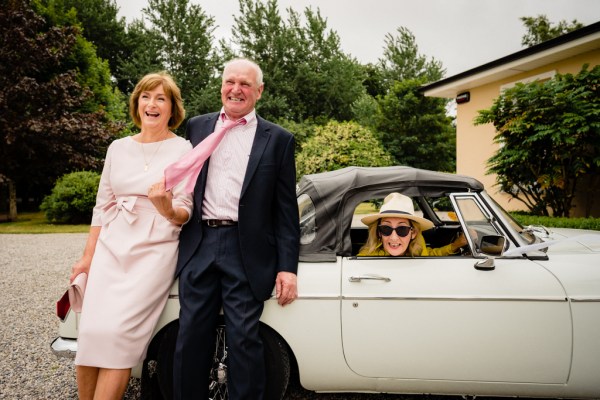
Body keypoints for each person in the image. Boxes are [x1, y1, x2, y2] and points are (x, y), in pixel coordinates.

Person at [172, 58, 300, 400]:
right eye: (231, 82)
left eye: (245, 84)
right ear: (221, 87)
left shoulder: (279, 140)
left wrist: (288, 267)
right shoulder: (197, 128)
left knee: (244, 337)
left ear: (258, 92)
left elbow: (286, 211)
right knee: (190, 334)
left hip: (247, 249)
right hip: (199, 244)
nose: (236, 89)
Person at [70, 71, 193, 399]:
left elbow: (185, 210)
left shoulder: (184, 149)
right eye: (145, 97)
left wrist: (166, 207)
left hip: (154, 251)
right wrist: (87, 258)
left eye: (161, 98)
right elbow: (102, 206)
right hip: (111, 248)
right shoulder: (117, 148)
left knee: (120, 337)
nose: (152, 104)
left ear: (172, 109)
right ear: (137, 103)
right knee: (93, 333)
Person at [358, 192, 467, 257]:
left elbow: (430, 255)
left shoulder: (418, 248)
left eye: (402, 229)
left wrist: (455, 245)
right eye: (386, 228)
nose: (394, 237)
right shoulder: (366, 257)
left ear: (413, 232)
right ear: (379, 232)